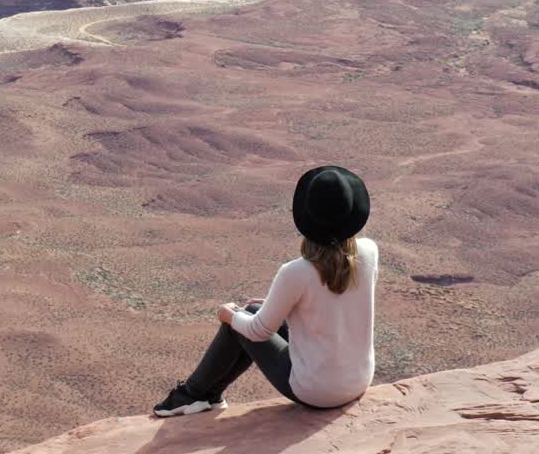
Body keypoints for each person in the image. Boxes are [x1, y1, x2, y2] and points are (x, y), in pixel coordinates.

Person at [153, 165, 379, 416]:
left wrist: (227, 315)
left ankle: (193, 394)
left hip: (316, 392)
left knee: (242, 319)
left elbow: (258, 332)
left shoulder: (296, 272)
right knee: (254, 310)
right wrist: (280, 305)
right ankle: (208, 395)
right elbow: (334, 301)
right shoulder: (369, 251)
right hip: (358, 380)